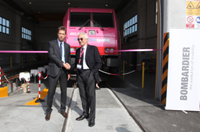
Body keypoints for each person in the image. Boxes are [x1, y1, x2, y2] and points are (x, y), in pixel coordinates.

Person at [70, 32, 102, 127]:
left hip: (89, 73)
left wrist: (92, 73)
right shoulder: (77, 51)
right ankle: (85, 113)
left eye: (81, 39)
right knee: (83, 95)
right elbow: (76, 64)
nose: (80, 41)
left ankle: (92, 117)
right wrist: (69, 67)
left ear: (87, 39)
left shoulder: (93, 49)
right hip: (80, 75)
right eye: (78, 39)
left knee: (91, 96)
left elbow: (99, 63)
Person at [45, 26, 71, 121]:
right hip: (54, 70)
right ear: (57, 34)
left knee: (64, 92)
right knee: (51, 91)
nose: (61, 35)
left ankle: (63, 109)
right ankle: (48, 111)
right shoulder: (51, 43)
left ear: (65, 35)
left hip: (64, 72)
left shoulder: (67, 46)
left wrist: (68, 72)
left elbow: (68, 59)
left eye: (63, 34)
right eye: (60, 33)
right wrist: (62, 64)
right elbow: (51, 55)